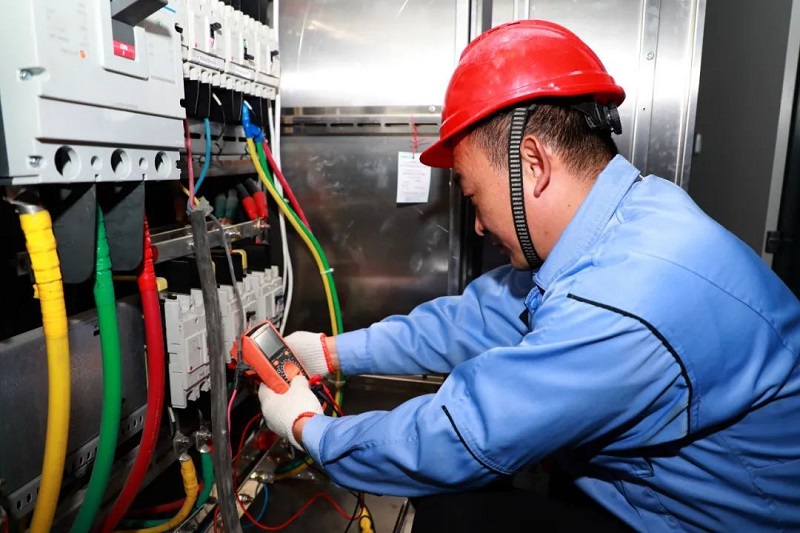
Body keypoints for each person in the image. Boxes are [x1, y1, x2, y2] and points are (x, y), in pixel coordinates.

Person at [257, 19, 800, 531]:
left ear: (534, 165)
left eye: (473, 196)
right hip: (653, 495)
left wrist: (309, 430)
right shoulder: (628, 220)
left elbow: (460, 437)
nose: (476, 224)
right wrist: (329, 353)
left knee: (453, 513)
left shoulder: (624, 301)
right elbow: (477, 319)